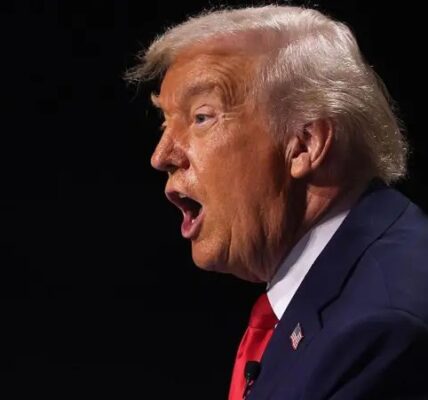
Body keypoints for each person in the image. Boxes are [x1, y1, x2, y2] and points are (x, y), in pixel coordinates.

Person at [126, 5, 428, 399]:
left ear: (305, 145)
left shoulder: (381, 331)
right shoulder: (341, 290)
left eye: (201, 117)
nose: (161, 155)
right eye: (165, 124)